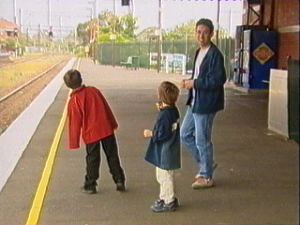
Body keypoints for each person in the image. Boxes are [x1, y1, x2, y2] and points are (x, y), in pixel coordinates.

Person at [180, 18, 226, 189]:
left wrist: (195, 83)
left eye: (205, 32)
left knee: (202, 140)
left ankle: (206, 176)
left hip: (206, 104)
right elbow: (198, 75)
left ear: (211, 34)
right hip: (195, 102)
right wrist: (189, 82)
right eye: (198, 32)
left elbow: (218, 79)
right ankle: (207, 163)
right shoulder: (199, 52)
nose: (201, 36)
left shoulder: (215, 55)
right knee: (184, 134)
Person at [63, 69, 126, 194]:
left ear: (68, 86)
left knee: (92, 158)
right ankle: (119, 180)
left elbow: (74, 123)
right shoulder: (94, 91)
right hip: (106, 129)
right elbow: (106, 108)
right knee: (112, 155)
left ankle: (90, 184)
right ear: (81, 79)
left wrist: (74, 141)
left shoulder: (74, 101)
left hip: (91, 133)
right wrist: (112, 123)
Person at [143, 81, 181, 213]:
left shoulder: (164, 115)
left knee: (164, 176)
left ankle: (169, 200)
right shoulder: (173, 111)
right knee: (165, 175)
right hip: (171, 149)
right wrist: (162, 109)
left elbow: (162, 134)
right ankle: (164, 197)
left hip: (165, 151)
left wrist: (150, 133)